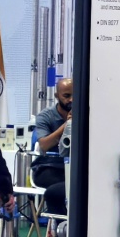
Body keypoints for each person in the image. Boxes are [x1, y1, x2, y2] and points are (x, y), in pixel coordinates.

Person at [32, 77, 72, 215]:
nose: (71, 100)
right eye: (66, 96)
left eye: (74, 95)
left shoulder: (86, 114)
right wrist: (67, 125)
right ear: (56, 96)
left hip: (73, 167)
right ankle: (60, 224)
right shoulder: (45, 116)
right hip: (49, 167)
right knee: (63, 189)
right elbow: (44, 145)